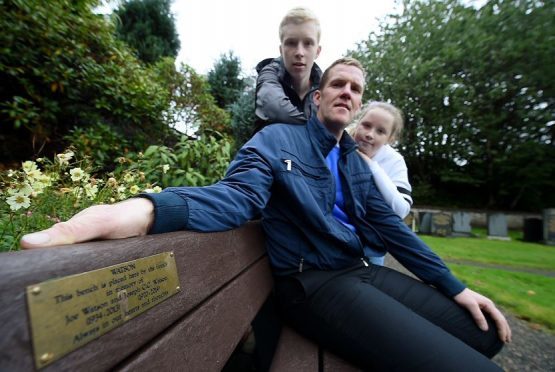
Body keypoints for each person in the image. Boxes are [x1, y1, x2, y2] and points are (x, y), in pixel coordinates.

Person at [21, 58, 511, 371]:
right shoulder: (280, 141)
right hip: (314, 287)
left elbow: (391, 231)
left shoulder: (353, 164)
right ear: (317, 97)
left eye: (356, 88)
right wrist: (146, 209)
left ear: (359, 105)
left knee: (483, 332)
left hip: (358, 274)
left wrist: (455, 286)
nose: (347, 92)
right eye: (337, 83)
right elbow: (238, 197)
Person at [254, 7, 322, 131]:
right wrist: (315, 130)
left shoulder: (326, 87)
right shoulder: (269, 74)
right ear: (281, 50)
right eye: (291, 43)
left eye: (308, 43)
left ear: (317, 51)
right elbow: (273, 105)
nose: (299, 52)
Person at [347, 101, 413, 219]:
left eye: (380, 131)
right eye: (366, 125)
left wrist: (371, 165)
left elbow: (401, 210)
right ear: (358, 124)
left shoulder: (395, 160)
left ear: (390, 139)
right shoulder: (336, 143)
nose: (370, 134)